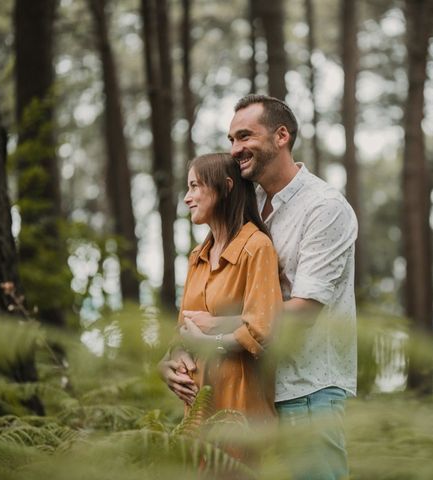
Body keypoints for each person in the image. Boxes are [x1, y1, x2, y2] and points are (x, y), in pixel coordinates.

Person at [162, 95, 358, 480]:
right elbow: (209, 300)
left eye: (245, 136)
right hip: (250, 394)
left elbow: (305, 309)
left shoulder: (323, 208)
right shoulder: (245, 212)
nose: (235, 149)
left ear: (281, 136)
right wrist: (170, 358)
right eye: (232, 139)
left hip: (307, 390)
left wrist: (213, 327)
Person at [161, 152, 282, 425]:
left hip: (241, 404)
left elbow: (263, 330)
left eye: (194, 186)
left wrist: (208, 342)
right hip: (197, 409)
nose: (187, 198)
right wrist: (170, 364)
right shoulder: (197, 256)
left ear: (226, 187)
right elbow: (182, 330)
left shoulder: (257, 247)